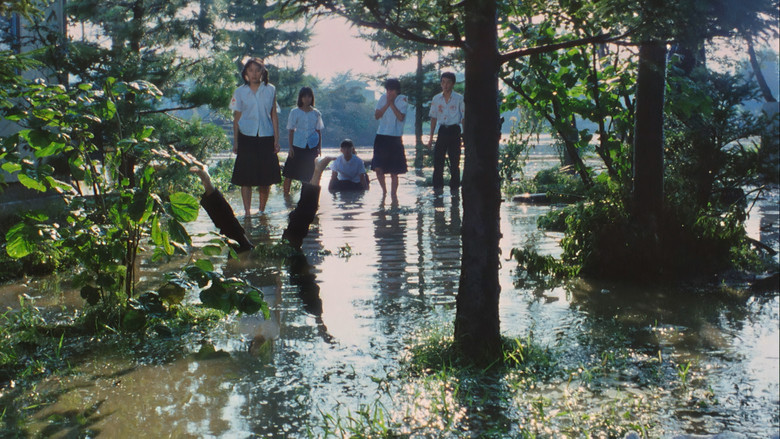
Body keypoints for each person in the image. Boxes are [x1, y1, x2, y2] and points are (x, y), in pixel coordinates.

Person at [171, 147, 332, 253]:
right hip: (272, 252)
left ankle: (207, 181)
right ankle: (317, 173)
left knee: (236, 234)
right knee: (292, 237)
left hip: (261, 252)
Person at [229, 57, 282, 217]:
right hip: (247, 136)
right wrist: (236, 142)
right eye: (250, 70)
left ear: (263, 73)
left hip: (266, 136)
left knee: (265, 178)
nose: (254, 74)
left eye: (257, 70)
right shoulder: (240, 91)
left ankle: (261, 210)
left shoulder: (270, 89)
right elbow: (237, 118)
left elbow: (273, 115)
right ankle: (246, 212)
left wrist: (277, 140)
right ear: (245, 73)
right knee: (246, 177)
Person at [282, 87, 324, 196]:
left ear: (312, 98)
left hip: (311, 145)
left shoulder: (316, 113)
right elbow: (291, 130)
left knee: (309, 173)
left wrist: (319, 148)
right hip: (297, 144)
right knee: (289, 173)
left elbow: (318, 131)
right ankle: (286, 197)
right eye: (304, 96)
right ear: (301, 98)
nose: (307, 99)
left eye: (309, 96)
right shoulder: (295, 112)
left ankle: (307, 197)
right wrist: (290, 148)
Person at [427, 72, 465, 192]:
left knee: (455, 162)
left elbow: (463, 117)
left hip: (455, 130)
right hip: (442, 130)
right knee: (438, 162)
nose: (445, 85)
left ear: (453, 84)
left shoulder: (459, 98)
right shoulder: (436, 98)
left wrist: (464, 136)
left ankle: (455, 191)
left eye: (448, 82)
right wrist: (431, 138)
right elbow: (433, 118)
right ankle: (437, 190)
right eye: (443, 82)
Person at [372, 78, 408, 198]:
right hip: (381, 136)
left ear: (397, 90)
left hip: (395, 137)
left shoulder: (402, 99)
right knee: (378, 168)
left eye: (391, 90)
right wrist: (387, 103)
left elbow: (401, 117)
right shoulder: (383, 98)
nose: (389, 92)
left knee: (394, 171)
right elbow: (377, 116)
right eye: (387, 90)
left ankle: (394, 195)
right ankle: (384, 192)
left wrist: (392, 104)